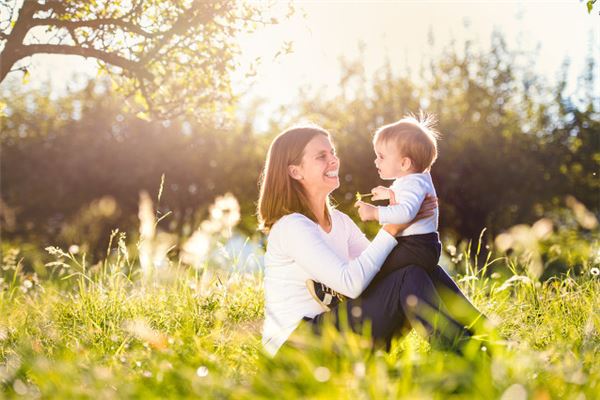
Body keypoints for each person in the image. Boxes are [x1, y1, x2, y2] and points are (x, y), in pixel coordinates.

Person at [258, 124, 486, 357]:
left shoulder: (340, 221)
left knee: (417, 268)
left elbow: (379, 271)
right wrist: (394, 226)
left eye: (333, 152)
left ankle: (487, 338)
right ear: (295, 172)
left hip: (336, 330)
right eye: (321, 156)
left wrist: (410, 216)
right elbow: (351, 283)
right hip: (296, 346)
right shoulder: (292, 226)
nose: (334, 160)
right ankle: (466, 355)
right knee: (408, 276)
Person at [307, 114, 442, 310]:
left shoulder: (414, 182)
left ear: (404, 163)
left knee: (379, 268)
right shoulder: (415, 180)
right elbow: (407, 201)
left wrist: (375, 213)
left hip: (416, 246)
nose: (376, 161)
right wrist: (389, 193)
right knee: (382, 266)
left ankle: (342, 295)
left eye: (381, 156)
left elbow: (405, 213)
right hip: (421, 246)